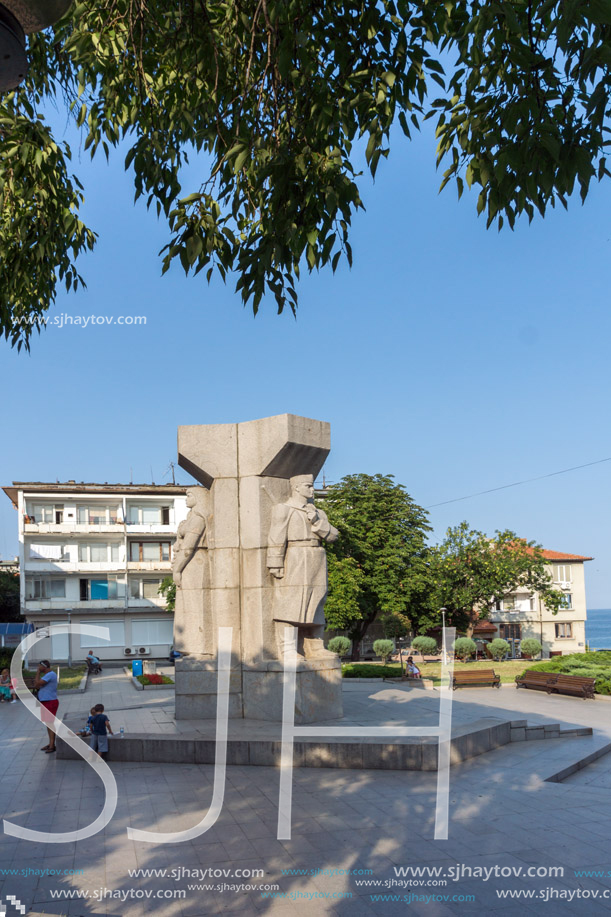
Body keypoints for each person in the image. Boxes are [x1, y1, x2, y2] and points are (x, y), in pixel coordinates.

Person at [267, 473, 339, 659]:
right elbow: (276, 536)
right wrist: (275, 562)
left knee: (317, 603)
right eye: (308, 486)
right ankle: (288, 648)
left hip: (317, 557)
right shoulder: (284, 509)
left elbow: (333, 536)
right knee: (289, 603)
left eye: (312, 486)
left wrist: (317, 521)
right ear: (296, 487)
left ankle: (316, 646)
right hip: (295, 556)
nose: (312, 490)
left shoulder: (318, 512)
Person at [34, 660, 59, 753]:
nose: (38, 668)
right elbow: (37, 686)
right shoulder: (46, 675)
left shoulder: (50, 675)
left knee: (50, 723)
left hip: (50, 701)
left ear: (44, 667)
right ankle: (50, 743)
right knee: (48, 724)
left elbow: (37, 684)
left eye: (39, 666)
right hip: (45, 701)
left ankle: (52, 745)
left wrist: (37, 673)